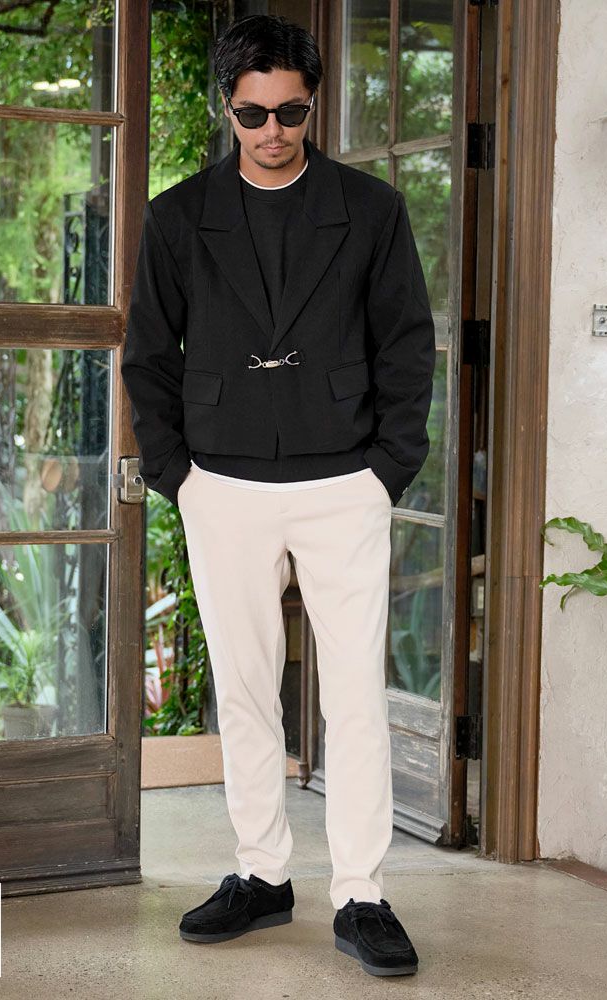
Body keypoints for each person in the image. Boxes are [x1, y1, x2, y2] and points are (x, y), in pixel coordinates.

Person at [120, 13, 434, 979]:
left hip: (345, 485)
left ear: (313, 105)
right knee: (247, 690)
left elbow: (407, 345)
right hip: (223, 486)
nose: (272, 131)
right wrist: (178, 476)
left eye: (290, 112)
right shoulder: (177, 217)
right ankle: (261, 874)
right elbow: (147, 357)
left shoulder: (372, 210)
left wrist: (386, 470)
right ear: (228, 106)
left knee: (357, 697)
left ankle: (362, 893)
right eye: (253, 113)